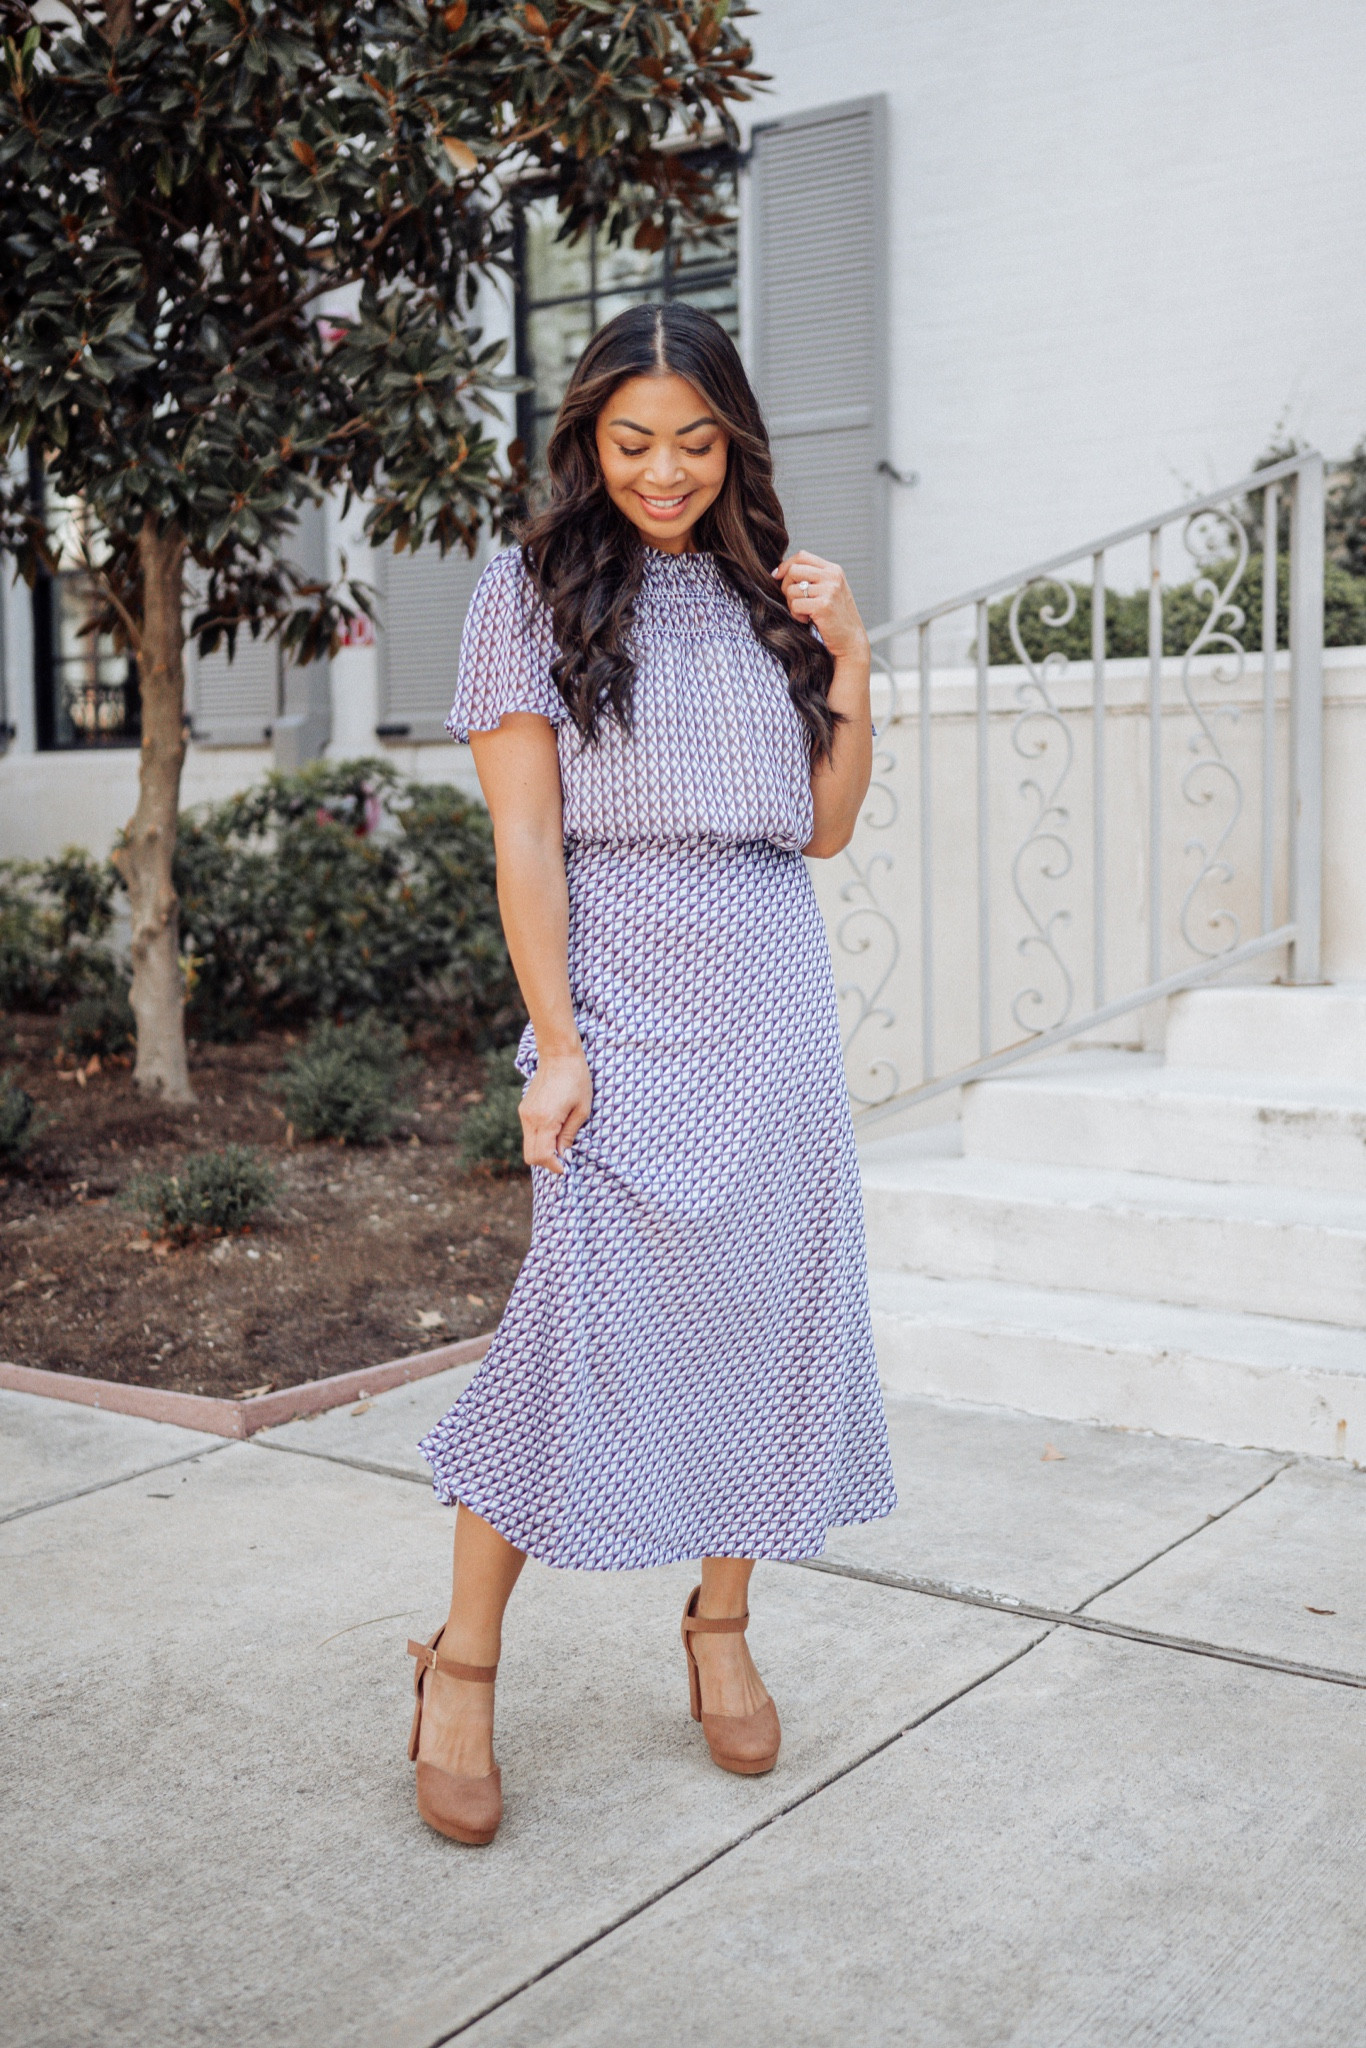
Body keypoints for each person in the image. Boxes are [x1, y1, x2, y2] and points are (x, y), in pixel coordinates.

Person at [406, 301, 897, 1846]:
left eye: (695, 443)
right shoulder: (524, 591)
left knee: (764, 1323)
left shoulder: (773, 593)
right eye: (633, 443)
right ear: (587, 441)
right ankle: (460, 1662)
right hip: (617, 997)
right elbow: (526, 840)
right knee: (575, 1328)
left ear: (733, 441)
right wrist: (557, 1048)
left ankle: (720, 1627)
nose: (666, 471)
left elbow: (819, 829)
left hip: (770, 1002)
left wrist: (852, 661)